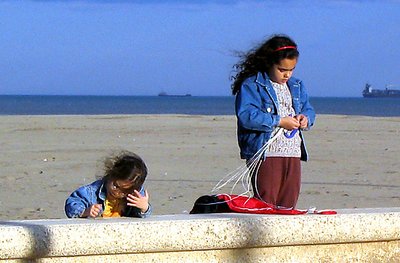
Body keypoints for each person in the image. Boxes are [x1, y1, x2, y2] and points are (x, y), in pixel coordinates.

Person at [231, 34, 315, 209]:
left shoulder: (297, 85)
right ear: (270, 63)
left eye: (291, 70)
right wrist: (279, 121)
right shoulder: (252, 85)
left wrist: (306, 119)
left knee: (288, 204)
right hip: (266, 152)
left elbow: (308, 108)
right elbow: (246, 116)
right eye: (282, 69)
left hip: (293, 152)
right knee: (266, 204)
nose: (287, 74)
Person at [65, 151, 151, 218]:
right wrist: (85, 211)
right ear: (110, 174)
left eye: (124, 192)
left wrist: (144, 208)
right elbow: (71, 205)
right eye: (115, 186)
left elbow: (143, 216)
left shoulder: (136, 195)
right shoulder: (92, 192)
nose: (117, 192)